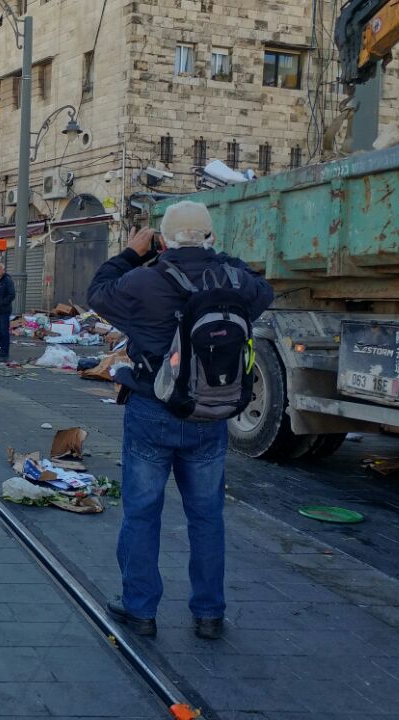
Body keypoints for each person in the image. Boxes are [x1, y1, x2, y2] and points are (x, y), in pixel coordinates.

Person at [87, 201, 273, 641]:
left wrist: (133, 252)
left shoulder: (143, 281)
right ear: (210, 237)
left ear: (163, 241)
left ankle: (140, 609)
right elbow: (263, 290)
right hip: (211, 413)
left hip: (153, 408)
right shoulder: (234, 280)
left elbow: (97, 292)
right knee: (207, 517)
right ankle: (209, 614)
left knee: (142, 512)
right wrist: (216, 255)